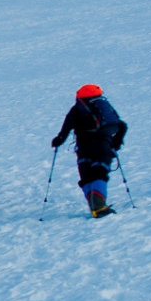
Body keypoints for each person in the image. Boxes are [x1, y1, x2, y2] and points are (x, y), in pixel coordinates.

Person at [52, 83, 127, 217]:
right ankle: (98, 207)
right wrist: (116, 143)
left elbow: (65, 129)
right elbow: (122, 125)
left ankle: (96, 207)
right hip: (104, 144)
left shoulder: (76, 110)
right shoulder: (105, 106)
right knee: (100, 172)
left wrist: (58, 140)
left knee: (87, 176)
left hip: (84, 147)